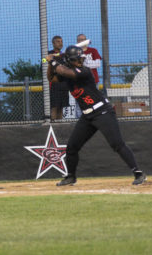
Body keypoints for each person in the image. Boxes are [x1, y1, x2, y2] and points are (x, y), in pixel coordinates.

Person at [46, 45, 146, 186]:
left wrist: (52, 60)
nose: (80, 61)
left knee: (116, 144)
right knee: (72, 147)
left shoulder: (84, 72)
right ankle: (70, 177)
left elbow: (65, 71)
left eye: (80, 59)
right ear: (69, 61)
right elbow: (51, 78)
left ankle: (138, 173)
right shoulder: (66, 74)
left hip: (102, 112)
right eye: (77, 60)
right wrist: (51, 63)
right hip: (87, 116)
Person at [75, 34, 102, 118]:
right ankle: (80, 118)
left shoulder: (93, 50)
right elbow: (75, 65)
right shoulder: (75, 52)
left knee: (94, 100)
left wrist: (85, 63)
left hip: (93, 81)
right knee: (80, 101)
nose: (82, 41)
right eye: (80, 40)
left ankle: (95, 117)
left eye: (84, 39)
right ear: (77, 41)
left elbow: (97, 64)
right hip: (80, 81)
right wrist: (86, 64)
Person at [48, 35, 70, 120]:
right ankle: (52, 126)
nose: (60, 43)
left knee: (61, 107)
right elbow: (43, 63)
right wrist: (50, 58)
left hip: (64, 85)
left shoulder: (64, 55)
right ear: (53, 43)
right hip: (54, 85)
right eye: (58, 41)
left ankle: (59, 127)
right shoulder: (49, 54)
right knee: (54, 107)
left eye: (61, 41)